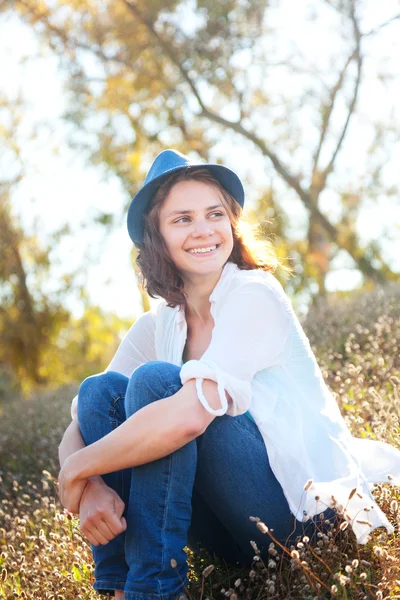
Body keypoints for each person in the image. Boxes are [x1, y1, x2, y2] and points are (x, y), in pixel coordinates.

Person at [58, 149, 400, 600]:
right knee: (102, 390)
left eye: (214, 213)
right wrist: (91, 486)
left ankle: (152, 591)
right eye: (182, 219)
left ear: (232, 223)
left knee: (160, 384)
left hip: (301, 517)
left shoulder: (255, 295)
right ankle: (122, 590)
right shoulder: (159, 322)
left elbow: (187, 419)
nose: (203, 230)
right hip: (224, 531)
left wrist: (77, 473)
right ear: (155, 235)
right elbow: (82, 420)